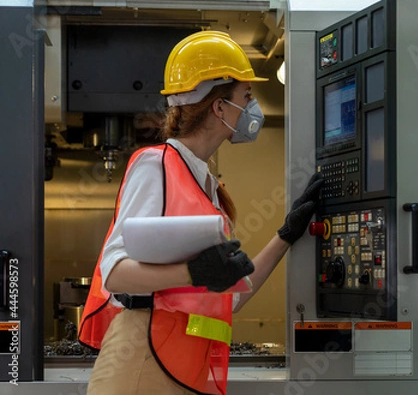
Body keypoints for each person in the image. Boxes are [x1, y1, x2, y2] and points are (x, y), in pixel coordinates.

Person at [79, 31, 323, 395]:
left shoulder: (207, 184)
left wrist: (286, 235)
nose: (252, 108)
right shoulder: (156, 165)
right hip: (142, 363)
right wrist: (193, 271)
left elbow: (232, 296)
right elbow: (114, 272)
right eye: (247, 97)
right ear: (219, 106)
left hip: (182, 369)